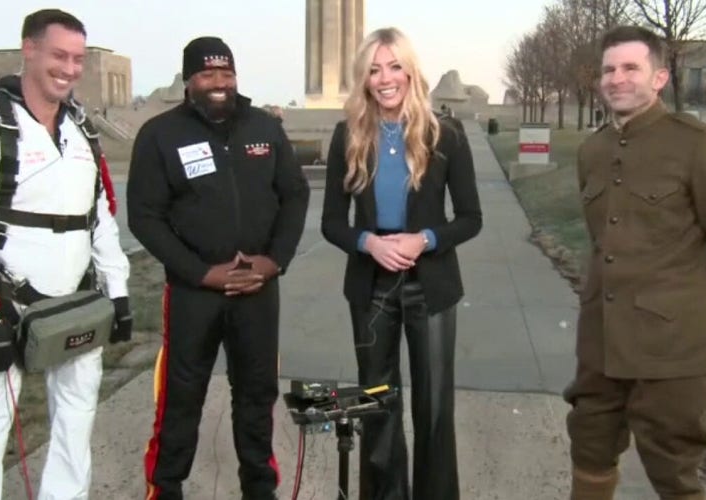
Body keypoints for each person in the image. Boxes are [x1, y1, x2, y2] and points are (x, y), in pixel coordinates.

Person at [0, 9, 132, 499]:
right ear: (29, 49)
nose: (71, 68)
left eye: (78, 58)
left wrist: (117, 294)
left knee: (76, 426)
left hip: (75, 307)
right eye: (59, 55)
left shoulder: (82, 133)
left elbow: (99, 220)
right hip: (2, 312)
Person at [565, 25, 706, 500]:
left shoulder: (702, 146)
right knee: (589, 447)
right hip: (601, 342)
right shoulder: (593, 150)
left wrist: (691, 307)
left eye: (631, 67)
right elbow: (604, 242)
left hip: (674, 348)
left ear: (659, 78)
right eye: (609, 69)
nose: (617, 79)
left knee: (674, 471)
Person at [128, 36, 309, 500]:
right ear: (189, 80)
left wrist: (273, 261)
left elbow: (294, 195)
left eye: (226, 74)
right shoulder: (160, 134)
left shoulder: (264, 128)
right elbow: (145, 217)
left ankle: (259, 488)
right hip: (194, 293)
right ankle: (165, 488)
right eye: (208, 75)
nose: (218, 84)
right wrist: (200, 272)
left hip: (257, 290)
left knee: (256, 394)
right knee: (179, 398)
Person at [320, 27, 482, 500]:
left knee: (433, 408)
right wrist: (368, 242)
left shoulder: (444, 133)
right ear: (364, 79)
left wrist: (426, 238)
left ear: (411, 71)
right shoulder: (346, 135)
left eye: (394, 67)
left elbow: (471, 218)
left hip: (431, 285)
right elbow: (332, 222)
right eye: (374, 70)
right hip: (371, 288)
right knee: (377, 403)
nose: (385, 78)